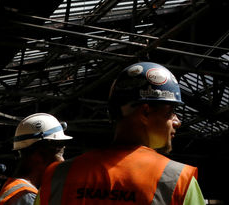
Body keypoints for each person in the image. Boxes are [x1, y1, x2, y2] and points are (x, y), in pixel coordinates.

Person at [37, 62, 204, 205]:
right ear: (145, 112)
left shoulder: (57, 177)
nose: (177, 122)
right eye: (171, 112)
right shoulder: (178, 181)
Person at [0, 113, 73, 205]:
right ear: (39, 156)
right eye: (60, 154)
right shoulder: (25, 196)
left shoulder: (15, 189)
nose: (62, 161)